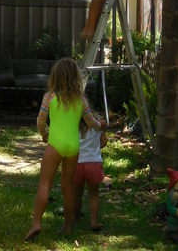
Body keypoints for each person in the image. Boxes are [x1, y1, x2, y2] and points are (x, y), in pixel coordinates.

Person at [25, 58, 106, 241]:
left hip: (55, 144)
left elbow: (40, 120)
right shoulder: (81, 100)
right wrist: (100, 125)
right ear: (76, 78)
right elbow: (90, 122)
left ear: (55, 76)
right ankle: (68, 226)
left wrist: (43, 134)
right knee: (67, 186)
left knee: (45, 183)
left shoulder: (50, 97)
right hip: (73, 147)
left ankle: (37, 223)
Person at [73, 112, 108, 232]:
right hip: (93, 162)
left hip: (76, 163)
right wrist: (94, 148)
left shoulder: (73, 123)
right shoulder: (98, 124)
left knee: (77, 193)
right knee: (94, 194)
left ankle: (75, 216)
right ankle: (94, 221)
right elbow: (104, 142)